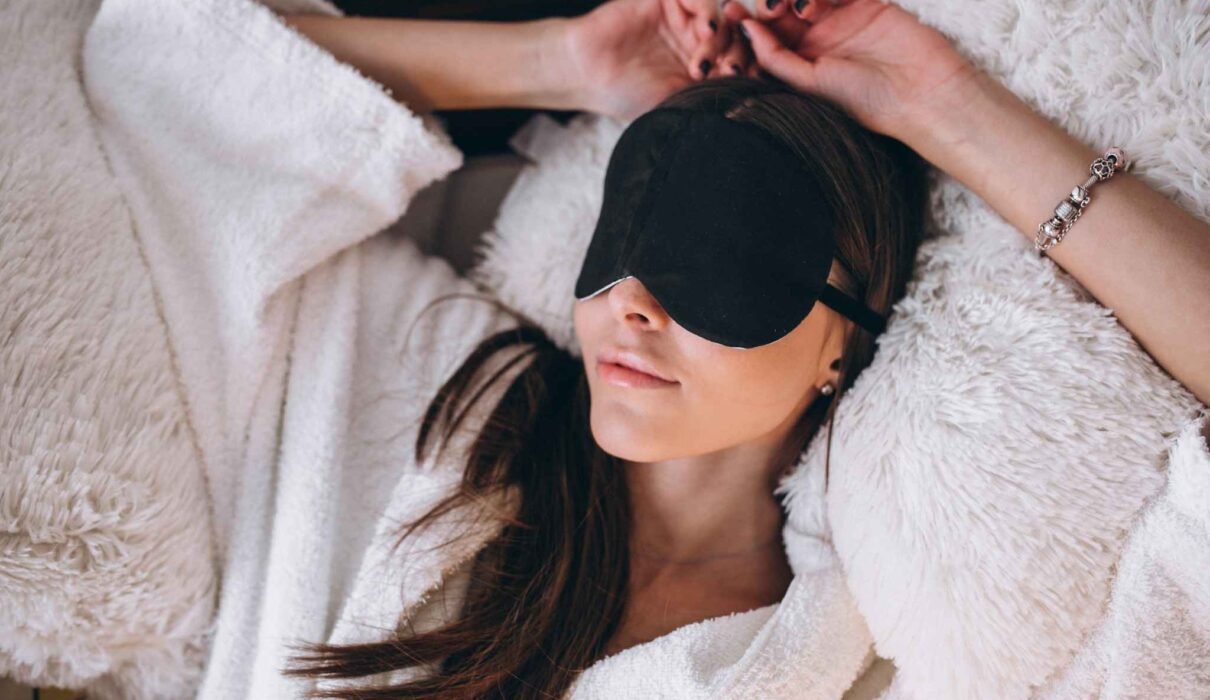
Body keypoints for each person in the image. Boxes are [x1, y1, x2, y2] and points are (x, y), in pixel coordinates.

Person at [269, 0, 1210, 698]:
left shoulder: (899, 651)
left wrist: (945, 106)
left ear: (842, 345)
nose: (630, 302)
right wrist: (561, 61)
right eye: (631, 230)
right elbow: (169, 87)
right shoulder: (424, 394)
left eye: (721, 258)